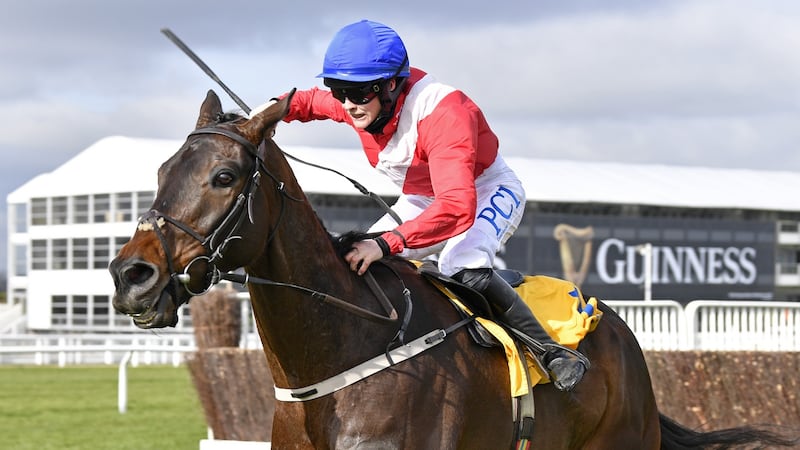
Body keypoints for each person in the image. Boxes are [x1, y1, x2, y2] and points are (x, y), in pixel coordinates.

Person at [280, 19, 587, 391]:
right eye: (340, 90)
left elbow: (457, 207)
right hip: (423, 198)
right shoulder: (363, 98)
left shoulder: (444, 113)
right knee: (354, 264)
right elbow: (308, 101)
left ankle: (551, 352)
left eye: (358, 93)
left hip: (484, 191)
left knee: (461, 264)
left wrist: (385, 243)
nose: (347, 104)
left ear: (390, 85)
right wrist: (264, 115)